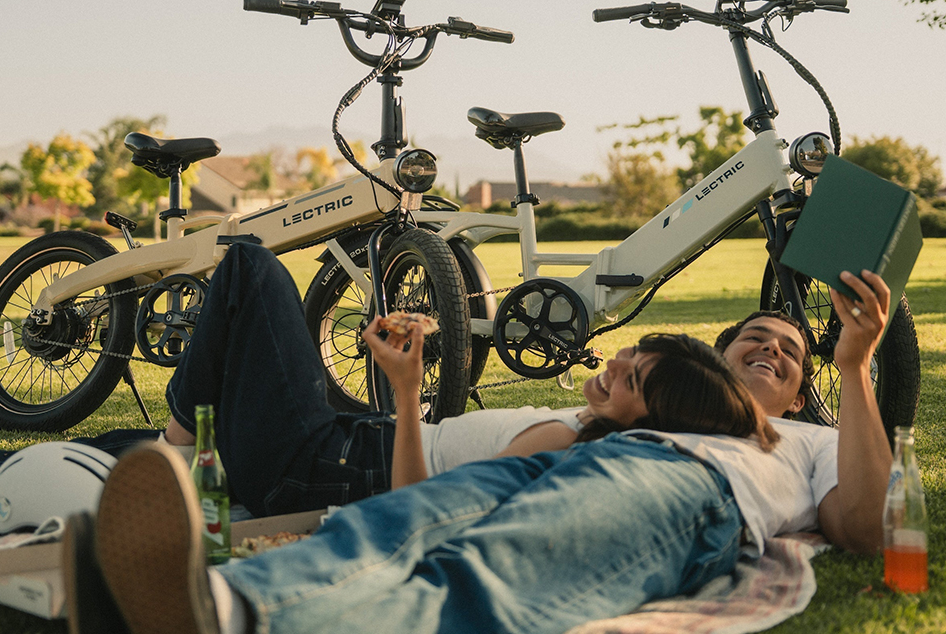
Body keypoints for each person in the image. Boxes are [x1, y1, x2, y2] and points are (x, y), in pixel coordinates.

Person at [69, 268, 895, 634]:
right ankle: (220, 605)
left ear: (805, 381)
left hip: (683, 491)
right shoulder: (615, 413)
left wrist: (854, 366)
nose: (772, 348)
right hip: (586, 462)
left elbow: (866, 527)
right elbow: (400, 505)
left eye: (790, 348)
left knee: (483, 575)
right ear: (708, 361)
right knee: (391, 527)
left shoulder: (816, 438)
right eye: (753, 336)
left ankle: (223, 611)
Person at [0, 244, 761, 514]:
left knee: (252, 271)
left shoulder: (567, 444)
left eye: (631, 379)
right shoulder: (603, 440)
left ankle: (187, 438)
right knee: (116, 455)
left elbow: (421, 502)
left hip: (328, 466)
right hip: (338, 452)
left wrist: (408, 392)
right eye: (627, 357)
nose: (611, 368)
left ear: (648, 419)